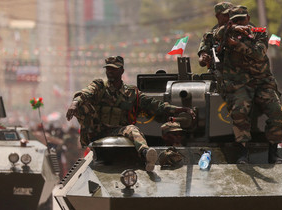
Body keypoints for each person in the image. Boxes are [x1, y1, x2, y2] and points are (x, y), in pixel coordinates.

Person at [65, 56, 195, 171]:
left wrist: (179, 109)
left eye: (114, 69)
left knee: (133, 130)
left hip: (118, 129)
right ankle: (85, 141)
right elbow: (86, 93)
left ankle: (146, 154)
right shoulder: (99, 86)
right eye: (108, 69)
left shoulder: (131, 93)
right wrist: (75, 103)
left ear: (121, 71)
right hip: (97, 129)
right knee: (83, 105)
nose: (110, 71)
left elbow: (154, 105)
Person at [213, 5, 282, 164]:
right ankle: (243, 151)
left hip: (262, 82)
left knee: (276, 112)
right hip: (239, 84)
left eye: (243, 18)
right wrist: (231, 30)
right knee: (239, 111)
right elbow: (216, 35)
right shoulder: (226, 32)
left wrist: (236, 45)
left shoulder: (259, 33)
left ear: (248, 18)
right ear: (232, 21)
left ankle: (273, 151)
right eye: (236, 19)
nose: (241, 21)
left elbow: (259, 53)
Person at [197, 2, 232, 69]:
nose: (229, 18)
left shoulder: (240, 31)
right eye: (225, 15)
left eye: (231, 14)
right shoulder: (209, 36)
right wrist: (205, 58)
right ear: (218, 16)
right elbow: (201, 60)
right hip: (217, 76)